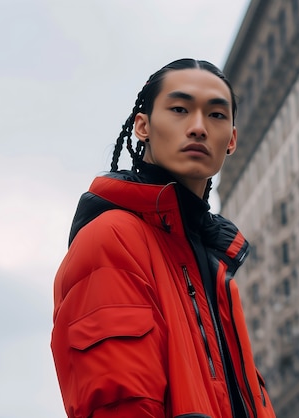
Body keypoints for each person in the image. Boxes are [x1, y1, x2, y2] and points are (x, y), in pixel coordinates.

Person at [51, 58, 276, 418]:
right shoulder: (112, 238)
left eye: (216, 115)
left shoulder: (217, 273)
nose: (199, 127)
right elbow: (119, 405)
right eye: (179, 109)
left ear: (231, 139)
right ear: (143, 126)